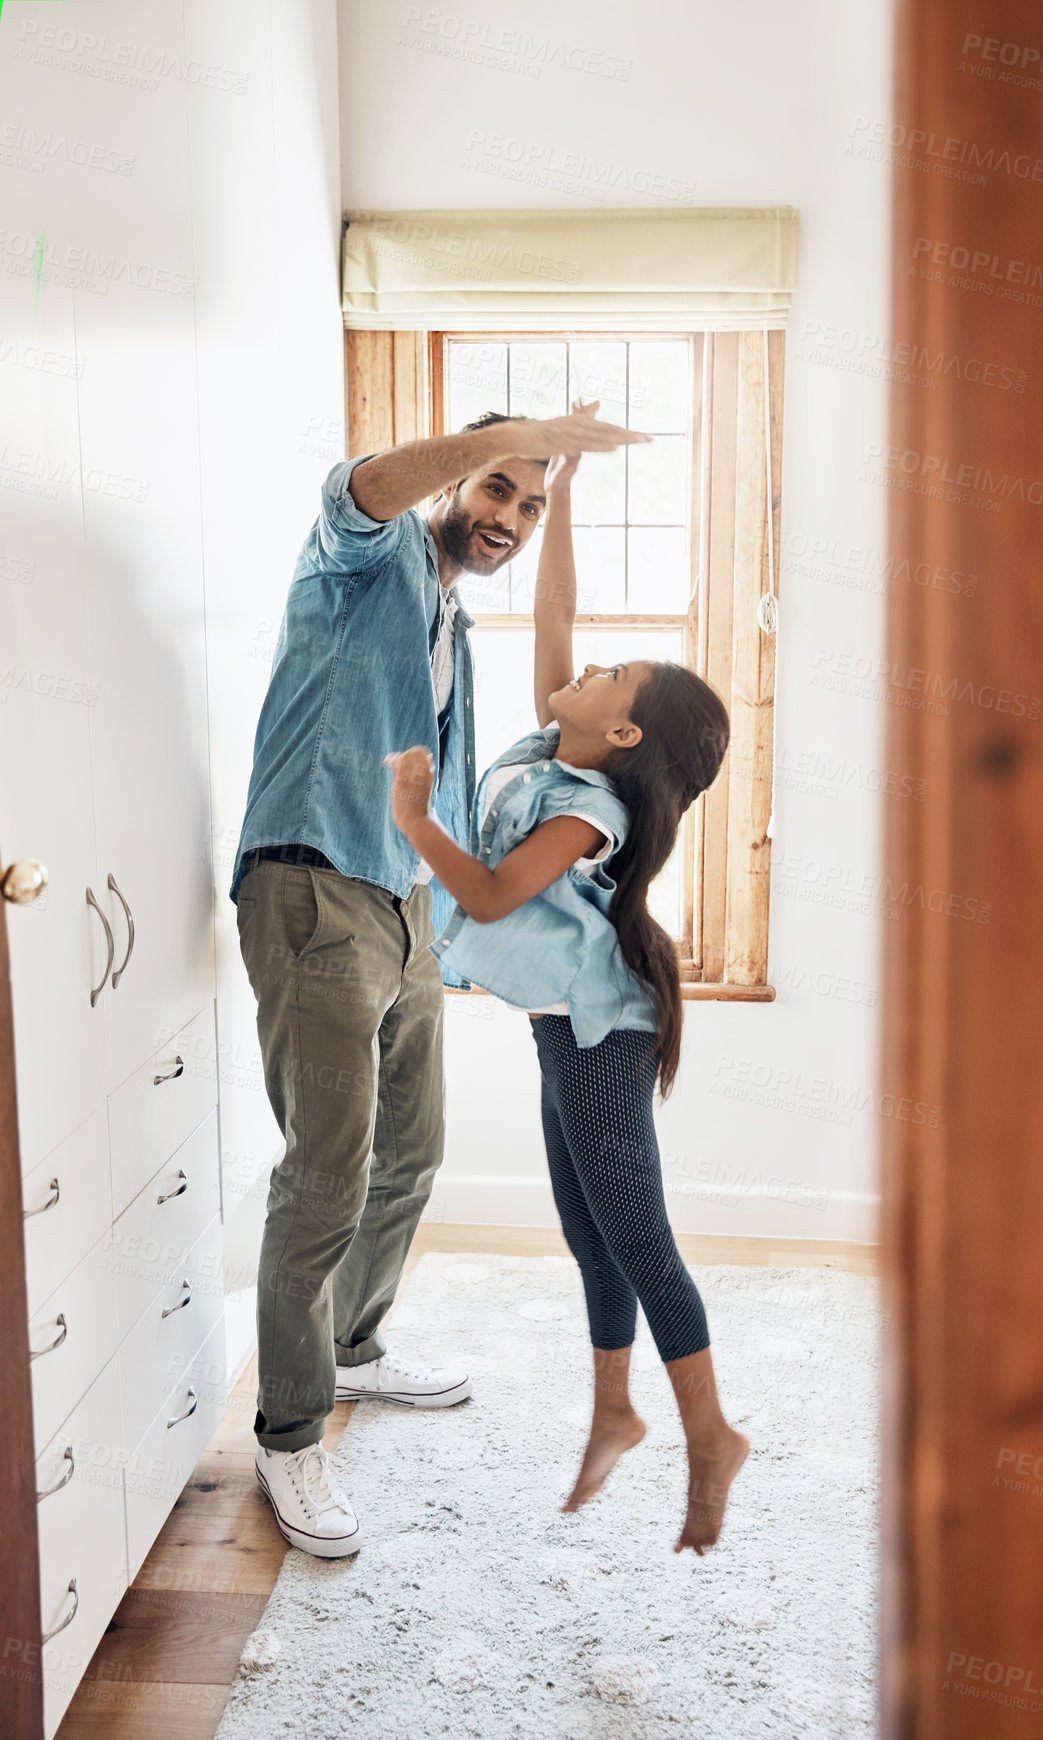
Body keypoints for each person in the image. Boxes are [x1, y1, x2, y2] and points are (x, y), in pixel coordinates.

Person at [231, 404, 646, 1558]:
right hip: (313, 884)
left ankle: (356, 1347)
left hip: (399, 903)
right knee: (325, 1172)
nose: (506, 515)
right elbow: (360, 486)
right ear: (454, 481)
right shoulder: (365, 556)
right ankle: (289, 1431)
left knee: (410, 1149)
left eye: (529, 503)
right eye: (496, 489)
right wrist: (514, 434)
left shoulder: (449, 620)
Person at [386, 410, 750, 1554]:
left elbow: (490, 896)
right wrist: (569, 487)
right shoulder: (559, 746)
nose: (584, 666)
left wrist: (412, 820)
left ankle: (709, 1435)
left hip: (602, 1034)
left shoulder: (586, 807)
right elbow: (554, 610)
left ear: (625, 730)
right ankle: (613, 1410)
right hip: (563, 1025)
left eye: (609, 675)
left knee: (637, 1236)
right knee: (585, 1229)